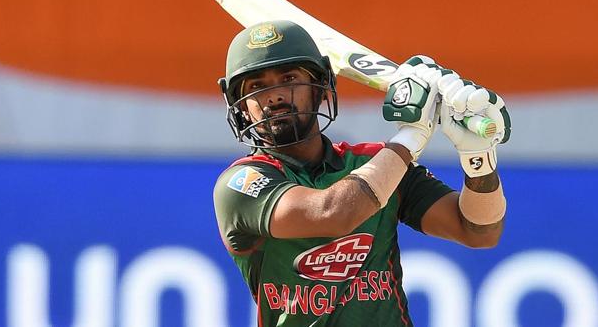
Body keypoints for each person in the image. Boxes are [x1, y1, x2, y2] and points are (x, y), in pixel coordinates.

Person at [214, 20, 510, 326]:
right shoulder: (240, 185)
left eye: (289, 78)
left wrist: (478, 158)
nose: (274, 95)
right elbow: (334, 213)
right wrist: (411, 137)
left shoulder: (376, 164)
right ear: (240, 106)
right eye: (257, 86)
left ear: (321, 88)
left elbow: (479, 231)